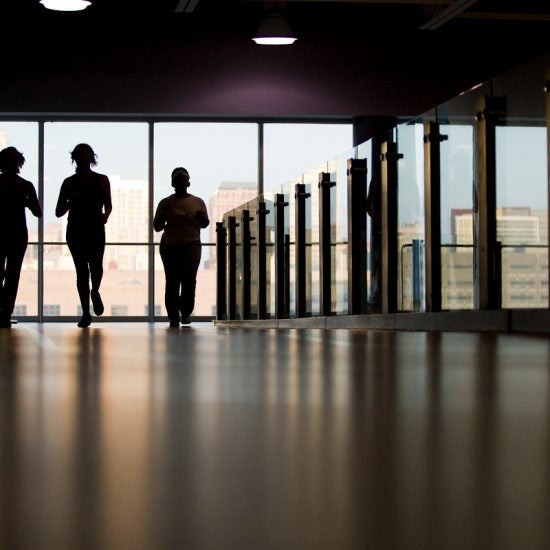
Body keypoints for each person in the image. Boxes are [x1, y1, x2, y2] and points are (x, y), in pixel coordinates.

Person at [55, 143, 112, 328]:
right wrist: (72, 200)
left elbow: (109, 204)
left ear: (91, 157)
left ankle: (94, 291)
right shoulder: (69, 183)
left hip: (93, 227)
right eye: (80, 155)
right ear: (75, 158)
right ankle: (86, 311)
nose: (83, 158)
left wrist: (105, 216)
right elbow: (58, 211)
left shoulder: (101, 180)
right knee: (82, 271)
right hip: (78, 230)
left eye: (85, 155)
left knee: (95, 266)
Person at [153, 167, 209, 327]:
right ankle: (173, 316)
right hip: (170, 245)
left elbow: (205, 224)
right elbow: (156, 226)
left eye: (184, 178)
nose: (181, 181)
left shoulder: (198, 202)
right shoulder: (165, 203)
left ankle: (185, 313)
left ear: (188, 181)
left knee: (189, 281)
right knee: (172, 281)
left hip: (192, 245)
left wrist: (201, 216)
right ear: (172, 182)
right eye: (178, 178)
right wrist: (163, 214)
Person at [0, 147, 42, 328]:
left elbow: (38, 211)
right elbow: (38, 212)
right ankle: (5, 314)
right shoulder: (25, 185)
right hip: (17, 233)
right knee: (12, 276)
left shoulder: (24, 186)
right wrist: (25, 202)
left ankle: (3, 313)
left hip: (10, 234)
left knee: (10, 275)